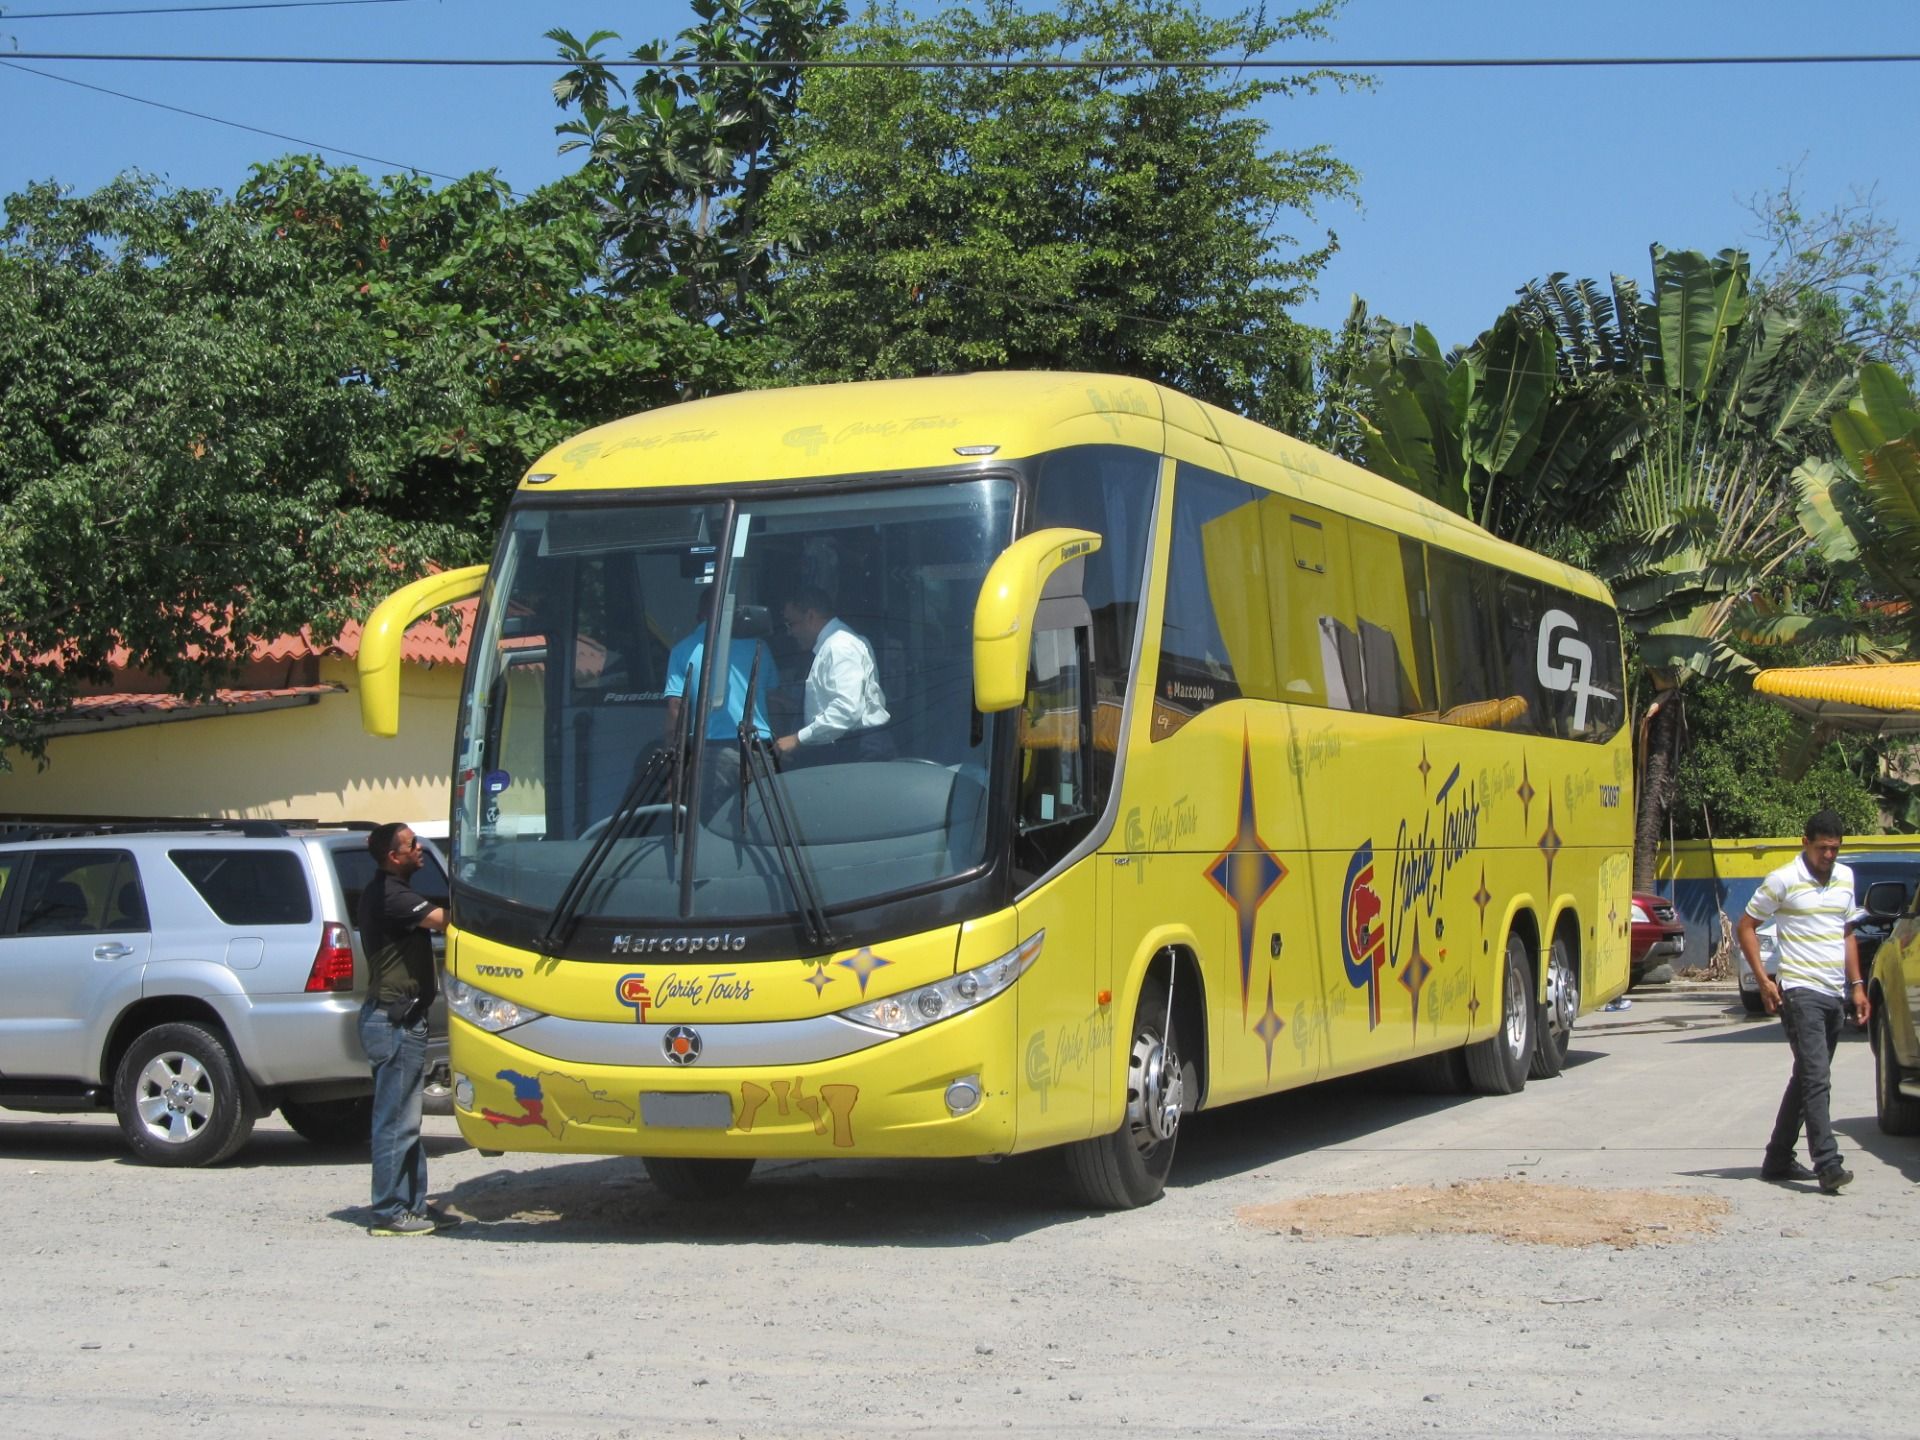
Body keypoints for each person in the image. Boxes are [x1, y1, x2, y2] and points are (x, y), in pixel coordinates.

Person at [1736, 809, 1870, 1195]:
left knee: (1807, 1077)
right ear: (1805, 843)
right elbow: (1745, 925)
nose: (1829, 856)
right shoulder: (1783, 880)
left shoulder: (1845, 877)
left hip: (1833, 992)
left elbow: (1845, 933)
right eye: (1823, 848)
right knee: (1817, 1078)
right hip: (1799, 990)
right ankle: (1827, 1163)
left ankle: (1777, 1158)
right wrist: (1764, 980)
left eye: (1835, 849)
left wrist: (1857, 985)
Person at [356, 822, 458, 1237]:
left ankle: (414, 1206)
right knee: (395, 1121)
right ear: (394, 857)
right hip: (392, 1021)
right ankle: (389, 1211)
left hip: (403, 1020)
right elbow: (445, 921)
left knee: (407, 1121)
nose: (420, 849)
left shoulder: (395, 891)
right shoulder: (391, 896)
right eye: (412, 844)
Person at [775, 585, 893, 763]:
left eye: (791, 624)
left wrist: (797, 739)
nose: (789, 632)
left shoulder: (839, 646)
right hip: (848, 744)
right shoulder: (836, 644)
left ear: (810, 616)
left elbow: (846, 709)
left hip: (857, 748)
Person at [662, 589, 777, 743]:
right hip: (758, 745)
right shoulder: (760, 646)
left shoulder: (683, 650)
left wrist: (672, 749)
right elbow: (773, 699)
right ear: (737, 614)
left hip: (710, 747)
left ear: (699, 617)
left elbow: (676, 705)